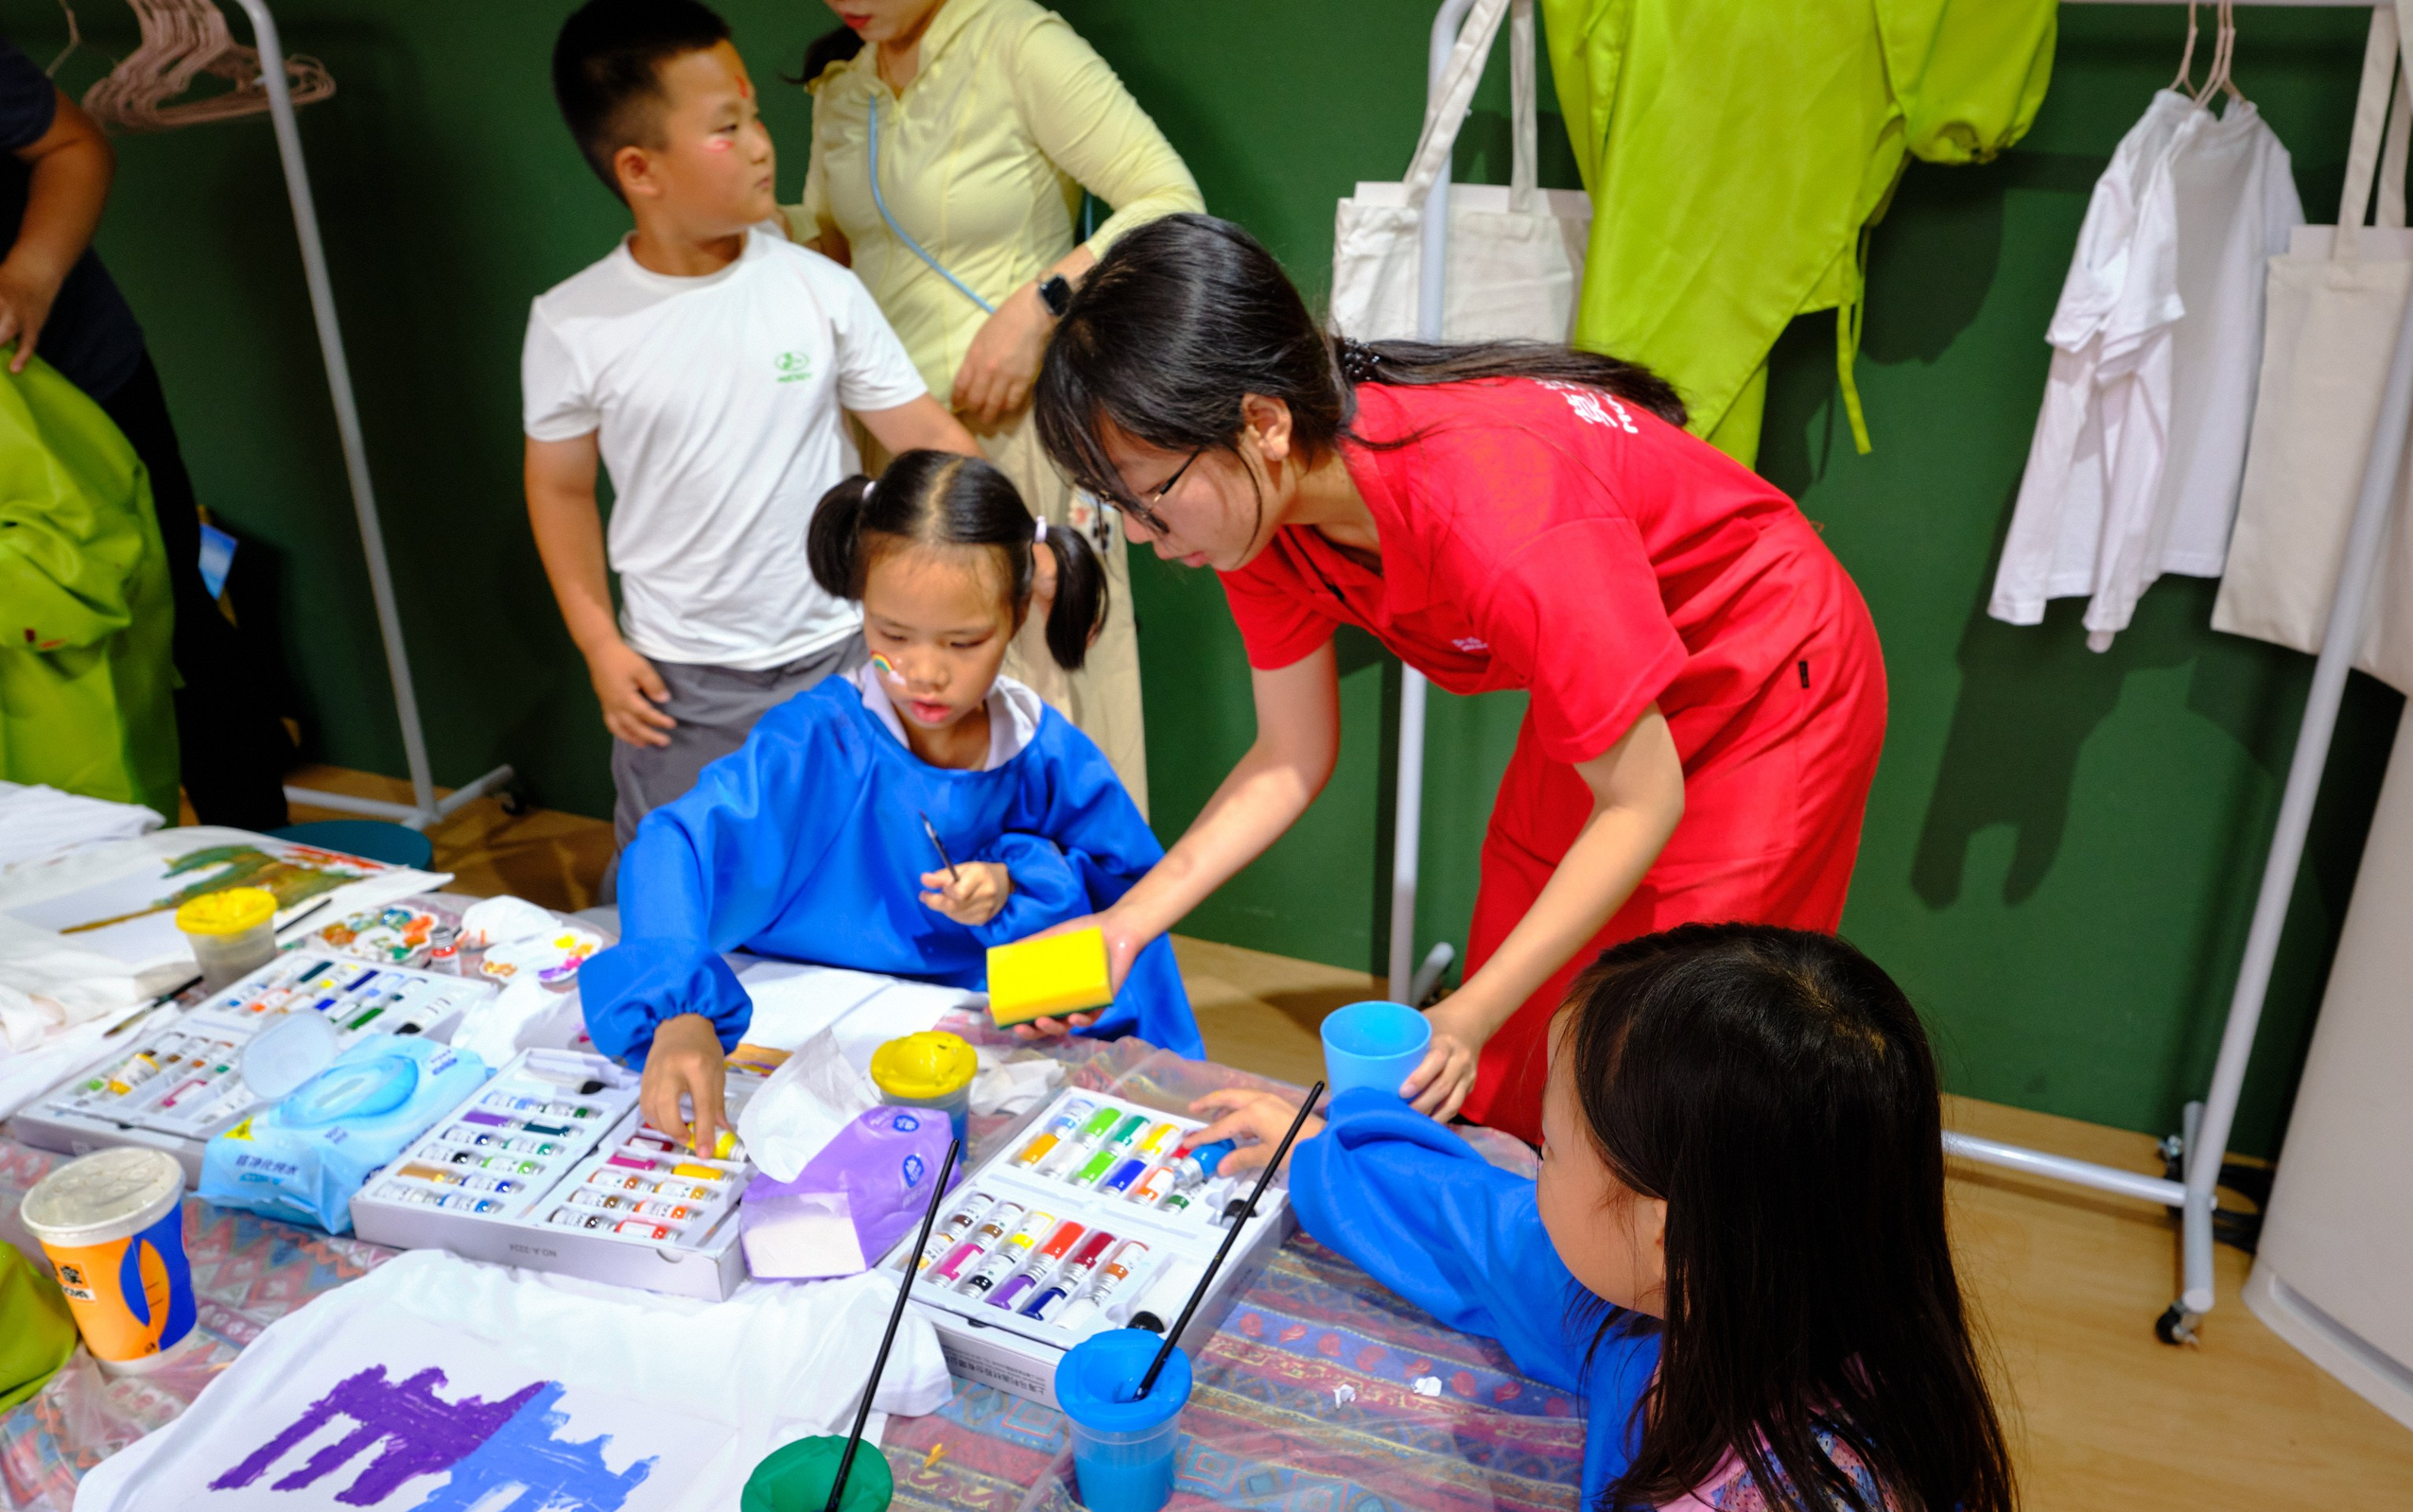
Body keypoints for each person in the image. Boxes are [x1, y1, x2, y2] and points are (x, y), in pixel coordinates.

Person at [1025, 215, 1889, 1146]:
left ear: (1262, 423)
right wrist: (1124, 927)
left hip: (1766, 669)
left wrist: (1465, 1013)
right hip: (1609, 669)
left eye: (1150, 494)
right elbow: (1288, 755)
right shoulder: (1257, 520)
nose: (1143, 535)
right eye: (1116, 503)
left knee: (1681, 1041)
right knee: (1517, 1029)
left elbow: (1640, 802)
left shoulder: (1493, 508)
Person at [1189, 925, 2018, 1512]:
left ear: (1666, 1236)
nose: (1532, 1171)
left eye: (1548, 1152)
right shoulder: (1708, 1292)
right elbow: (1489, 1231)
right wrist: (1326, 1153)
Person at [580, 450, 1204, 1151]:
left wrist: (1018, 888)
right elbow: (674, 845)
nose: (924, 674)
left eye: (964, 641)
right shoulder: (819, 740)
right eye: (892, 636)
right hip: (805, 1028)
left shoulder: (1047, 756)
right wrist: (680, 1012)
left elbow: (1125, 908)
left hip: (978, 1040)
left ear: (1018, 612)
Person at [527, 0, 977, 849]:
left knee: (860, 861)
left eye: (756, 117)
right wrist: (598, 645)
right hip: (678, 685)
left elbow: (928, 435)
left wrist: (1019, 537)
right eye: (726, 127)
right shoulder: (572, 323)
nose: (763, 144)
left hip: (839, 655)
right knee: (687, 879)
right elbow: (559, 490)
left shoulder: (817, 288)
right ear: (640, 169)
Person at [780, 0, 1206, 813]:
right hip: (898, 455)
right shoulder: (842, 86)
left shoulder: (1014, 40)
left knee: (1053, 693)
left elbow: (1170, 201)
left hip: (1023, 445)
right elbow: (840, 245)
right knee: (923, 705)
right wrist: (755, 222)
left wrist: (1042, 306)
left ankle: (1076, 893)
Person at [0, 34, 292, 827]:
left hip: (71, 385)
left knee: (170, 623)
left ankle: (262, 857)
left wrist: (29, 274)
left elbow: (73, 146)